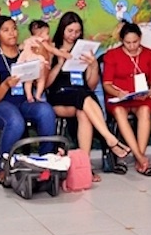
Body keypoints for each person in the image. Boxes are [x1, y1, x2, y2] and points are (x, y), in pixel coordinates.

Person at [44, 12, 131, 173]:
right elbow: (45, 84)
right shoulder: (52, 48)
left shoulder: (83, 48)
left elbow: (90, 85)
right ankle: (109, 138)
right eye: (70, 31)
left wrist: (93, 65)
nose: (73, 35)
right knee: (83, 98)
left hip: (81, 95)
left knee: (84, 109)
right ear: (62, 29)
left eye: (77, 32)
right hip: (59, 96)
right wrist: (59, 64)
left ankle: (84, 167)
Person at [0, 15, 57, 178]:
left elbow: (40, 84)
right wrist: (6, 84)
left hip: (23, 101)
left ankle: (46, 162)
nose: (12, 33)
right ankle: (4, 165)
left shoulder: (27, 53)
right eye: (6, 30)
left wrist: (44, 63)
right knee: (15, 120)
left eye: (14, 29)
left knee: (46, 111)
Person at [100, 21, 151, 176]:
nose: (132, 46)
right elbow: (107, 84)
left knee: (145, 111)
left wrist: (150, 92)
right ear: (122, 41)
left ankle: (139, 156)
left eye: (135, 42)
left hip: (142, 98)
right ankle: (141, 159)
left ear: (140, 39)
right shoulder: (112, 55)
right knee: (120, 112)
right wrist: (119, 93)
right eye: (128, 43)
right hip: (119, 98)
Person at [16, 19, 71, 102]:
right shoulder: (42, 41)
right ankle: (38, 95)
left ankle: (29, 96)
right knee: (41, 80)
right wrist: (64, 54)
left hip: (29, 64)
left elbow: (20, 47)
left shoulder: (28, 40)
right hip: (40, 64)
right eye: (47, 33)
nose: (48, 36)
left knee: (28, 81)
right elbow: (52, 50)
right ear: (40, 34)